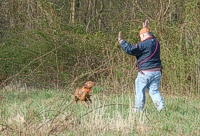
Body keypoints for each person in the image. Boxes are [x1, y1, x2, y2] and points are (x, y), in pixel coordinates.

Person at [118, 19, 165, 112]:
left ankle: (139, 110)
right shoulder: (156, 42)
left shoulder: (143, 44)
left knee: (140, 91)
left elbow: (131, 49)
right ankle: (161, 108)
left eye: (140, 36)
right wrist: (146, 28)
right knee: (154, 91)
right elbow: (151, 36)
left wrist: (121, 41)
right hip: (157, 72)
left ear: (143, 35)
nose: (140, 39)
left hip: (145, 72)